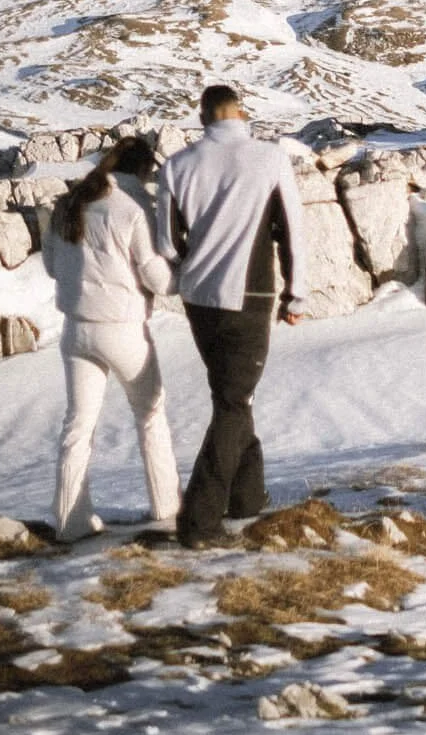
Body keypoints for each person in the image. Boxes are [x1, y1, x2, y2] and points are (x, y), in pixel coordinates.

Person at [156, 83, 306, 548]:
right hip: (250, 294)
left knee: (231, 395)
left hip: (199, 298)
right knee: (234, 402)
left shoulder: (177, 165)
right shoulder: (270, 158)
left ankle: (247, 497)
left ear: (202, 116)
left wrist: (192, 268)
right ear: (241, 113)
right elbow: (293, 230)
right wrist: (296, 295)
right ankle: (199, 521)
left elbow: (166, 243)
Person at [43, 135, 180, 543]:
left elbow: (52, 265)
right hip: (122, 327)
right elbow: (156, 277)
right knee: (150, 414)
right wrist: (182, 276)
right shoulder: (134, 208)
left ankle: (70, 520)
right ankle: (167, 507)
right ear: (143, 170)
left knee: (77, 425)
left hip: (75, 328)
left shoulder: (69, 203)